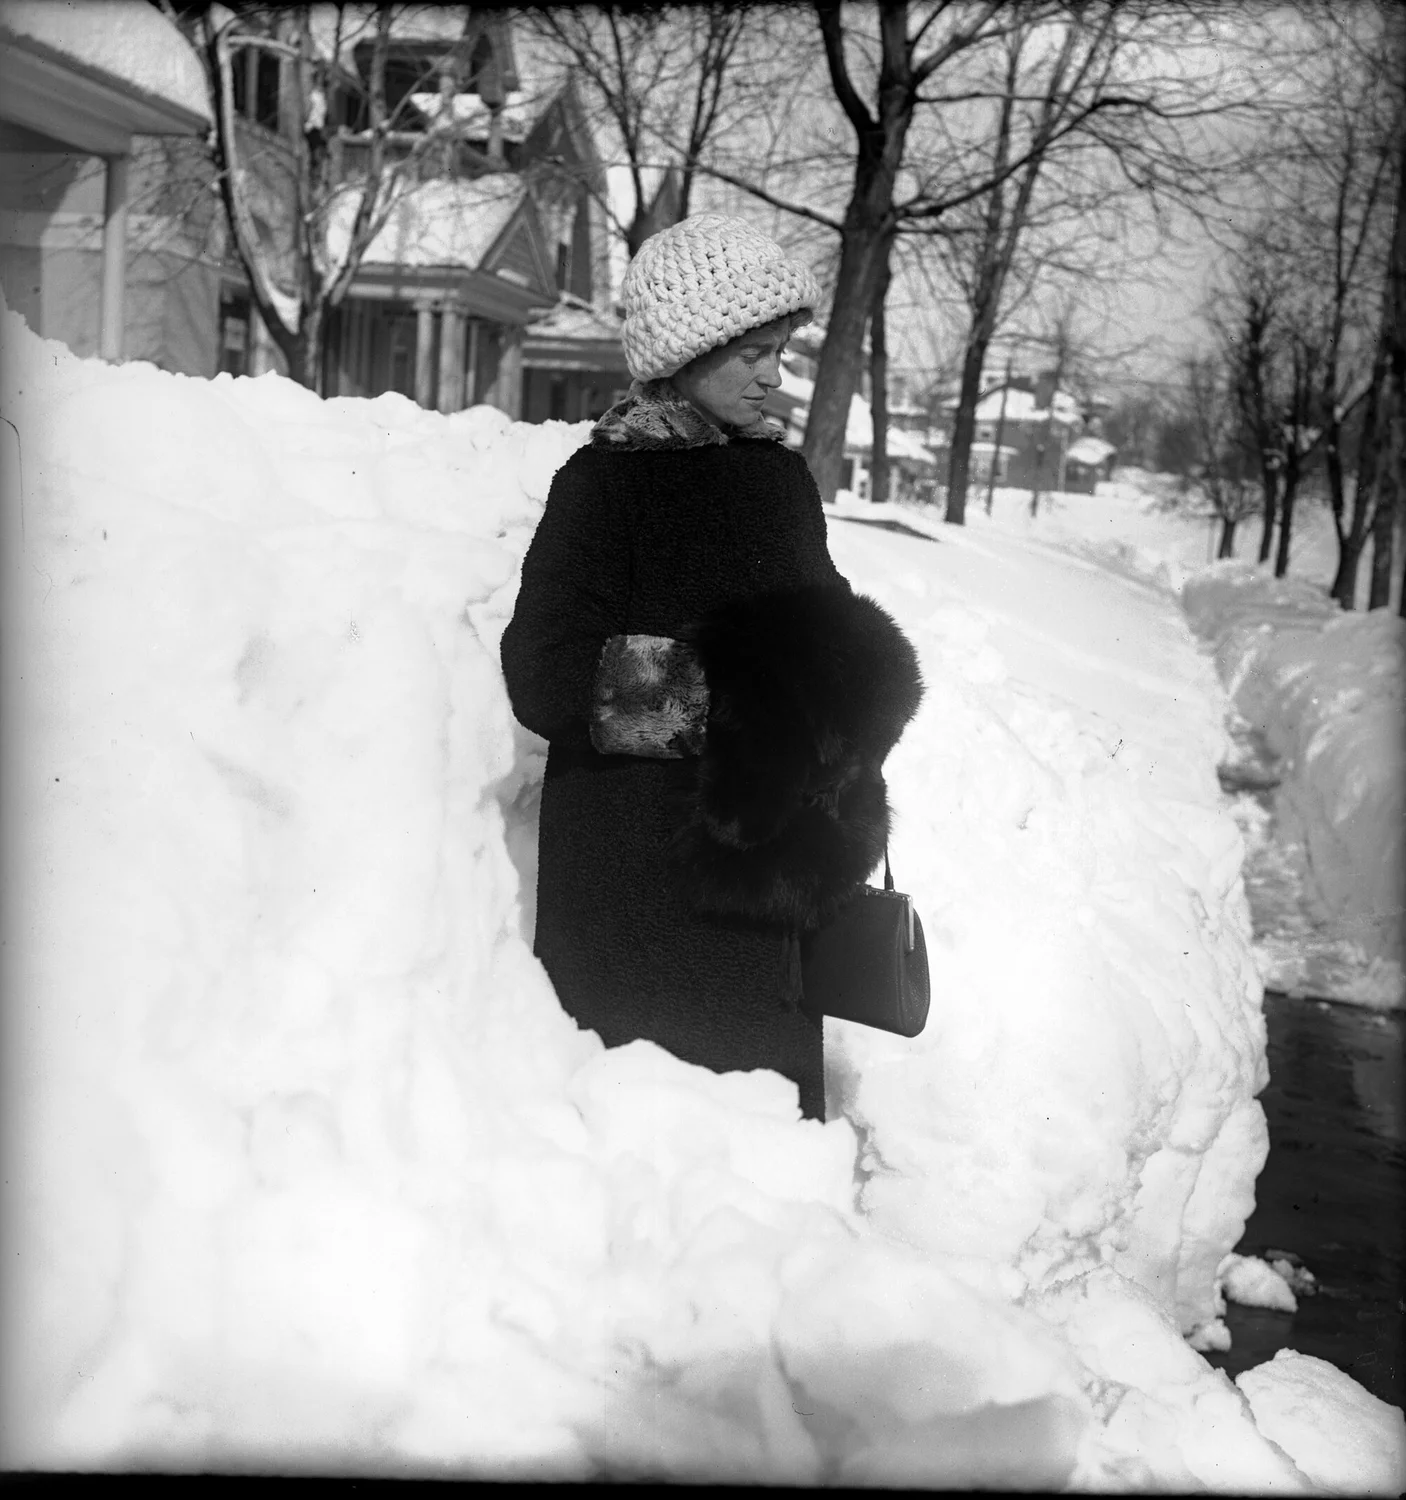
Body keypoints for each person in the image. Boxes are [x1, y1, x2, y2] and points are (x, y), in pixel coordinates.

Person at [500, 214, 922, 1121]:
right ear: (683, 354)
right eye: (750, 354)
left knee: (763, 1170)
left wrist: (853, 709)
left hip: (770, 888)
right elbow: (541, 669)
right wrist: (713, 703)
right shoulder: (603, 487)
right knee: (653, 1156)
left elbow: (826, 647)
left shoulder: (780, 484)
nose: (774, 375)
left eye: (779, 351)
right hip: (634, 888)